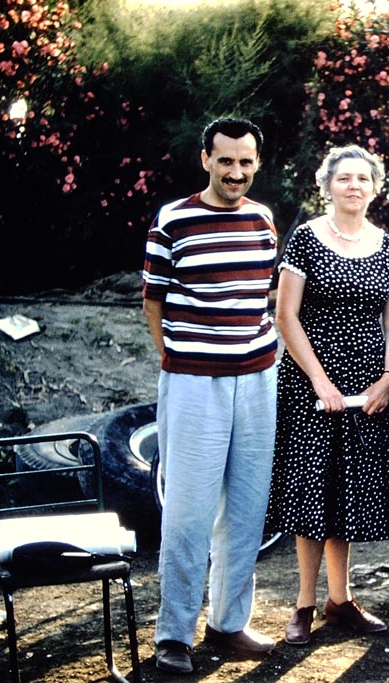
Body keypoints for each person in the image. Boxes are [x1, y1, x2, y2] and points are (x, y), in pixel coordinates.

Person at [142, 118, 278, 674]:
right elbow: (154, 304)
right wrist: (180, 359)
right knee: (189, 513)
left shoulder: (264, 219)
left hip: (258, 380)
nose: (236, 172)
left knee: (246, 509)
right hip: (195, 383)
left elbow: (264, 295)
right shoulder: (172, 220)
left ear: (256, 164)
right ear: (205, 159)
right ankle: (173, 634)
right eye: (226, 161)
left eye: (246, 162)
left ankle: (228, 623)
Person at [266, 145, 389, 646]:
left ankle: (340, 600)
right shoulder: (305, 239)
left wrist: (387, 378)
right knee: (311, 490)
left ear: (374, 187)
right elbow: (286, 317)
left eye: (362, 179)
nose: (353, 186)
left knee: (346, 490)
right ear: (327, 186)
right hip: (311, 382)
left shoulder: (388, 245)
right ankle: (305, 603)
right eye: (344, 178)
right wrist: (321, 381)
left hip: (368, 385)